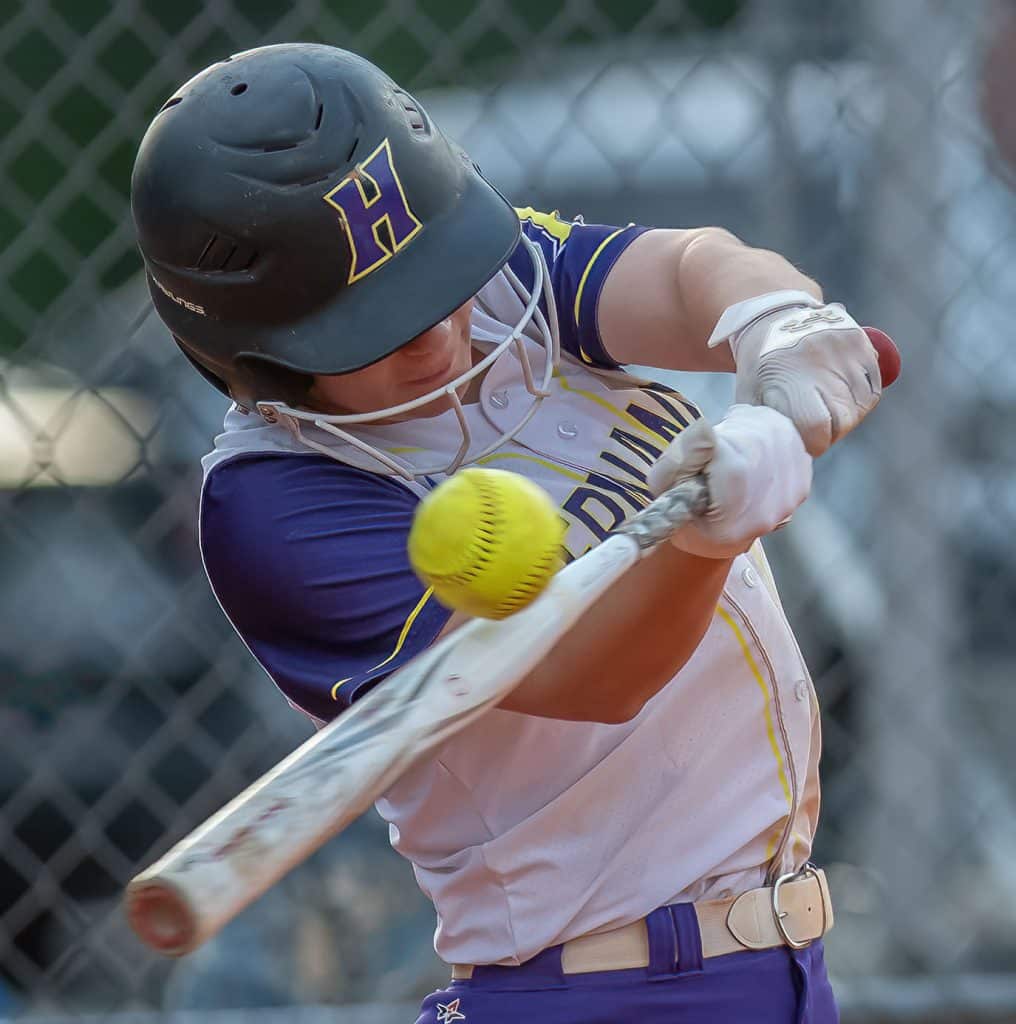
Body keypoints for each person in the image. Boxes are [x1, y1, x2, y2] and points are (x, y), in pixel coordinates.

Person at [131, 42, 883, 1024]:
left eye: (434, 280)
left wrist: (770, 319)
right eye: (378, 327)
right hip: (594, 991)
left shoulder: (496, 292)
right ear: (257, 358)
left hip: (772, 966)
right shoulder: (279, 502)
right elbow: (590, 677)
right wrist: (706, 543)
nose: (441, 330)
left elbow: (691, 269)